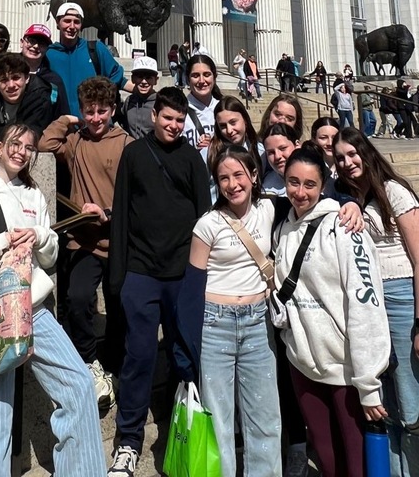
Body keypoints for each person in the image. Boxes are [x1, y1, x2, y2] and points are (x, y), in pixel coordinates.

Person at [0, 123, 105, 477]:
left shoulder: (35, 195)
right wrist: (2, 241)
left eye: (28, 146)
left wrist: (38, 235)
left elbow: (51, 257)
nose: (21, 151)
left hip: (33, 307)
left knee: (79, 385)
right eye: (14, 143)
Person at [107, 87, 211, 475]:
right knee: (139, 356)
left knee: (185, 356)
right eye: (168, 118)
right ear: (154, 116)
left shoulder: (191, 158)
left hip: (184, 274)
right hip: (141, 272)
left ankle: (180, 431)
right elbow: (121, 214)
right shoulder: (134, 154)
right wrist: (118, 276)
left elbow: (205, 215)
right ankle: (129, 441)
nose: (173, 125)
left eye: (179, 120)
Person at [273, 143, 390, 477]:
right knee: (328, 462)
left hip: (346, 369)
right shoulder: (283, 229)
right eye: (293, 182)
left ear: (323, 185)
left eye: (309, 184)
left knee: (357, 466)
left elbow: (365, 302)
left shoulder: (343, 226)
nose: (300, 191)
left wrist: (368, 383)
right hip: (303, 363)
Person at [333, 128, 419, 477]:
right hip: (369, 301)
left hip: (399, 298)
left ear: (367, 153)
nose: (348, 163)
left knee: (413, 410)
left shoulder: (395, 192)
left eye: (353, 154)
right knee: (387, 406)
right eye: (340, 158)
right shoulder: (350, 195)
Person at [188, 146, 282, 477]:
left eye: (239, 175)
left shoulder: (269, 209)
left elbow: (309, 194)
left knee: (265, 415)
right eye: (224, 177)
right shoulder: (208, 224)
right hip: (216, 323)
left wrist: (351, 208)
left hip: (258, 321)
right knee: (219, 417)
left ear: (254, 176)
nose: (232, 184)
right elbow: (193, 287)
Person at [40, 77, 134, 407]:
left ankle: (113, 366)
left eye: (102, 111)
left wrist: (109, 212)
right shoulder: (75, 141)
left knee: (118, 304)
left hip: (117, 238)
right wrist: (66, 120)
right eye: (89, 112)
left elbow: (134, 192)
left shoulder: (126, 143)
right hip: (83, 240)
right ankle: (88, 360)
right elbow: (44, 145)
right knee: (77, 299)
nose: (95, 118)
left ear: (112, 110)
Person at [46, 2, 128, 116]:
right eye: (67, 21)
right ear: (57, 23)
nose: (72, 26)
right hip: (61, 125)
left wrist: (150, 94)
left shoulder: (96, 49)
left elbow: (118, 78)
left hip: (93, 125)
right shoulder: (48, 54)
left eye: (77, 22)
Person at [0, 52, 55, 150]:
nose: (11, 85)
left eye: (16, 78)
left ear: (26, 78)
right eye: (4, 80)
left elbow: (30, 137)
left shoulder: (40, 98)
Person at [202, 96, 265, 202]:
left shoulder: (260, 151)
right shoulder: (209, 152)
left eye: (233, 122)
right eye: (222, 126)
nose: (229, 130)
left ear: (245, 120)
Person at [19, 23, 69, 115]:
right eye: (32, 40)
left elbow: (62, 115)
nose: (36, 46)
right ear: (22, 42)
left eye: (42, 43)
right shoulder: (6, 69)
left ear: (47, 49)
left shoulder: (54, 81)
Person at [182, 53, 222, 148]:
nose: (201, 81)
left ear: (214, 77)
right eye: (195, 76)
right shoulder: (180, 111)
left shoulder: (224, 108)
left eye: (207, 75)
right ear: (188, 79)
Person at [119, 56, 159, 139]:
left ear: (155, 80)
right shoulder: (129, 101)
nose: (144, 82)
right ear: (133, 79)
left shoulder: (161, 102)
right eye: (140, 77)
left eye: (148, 78)